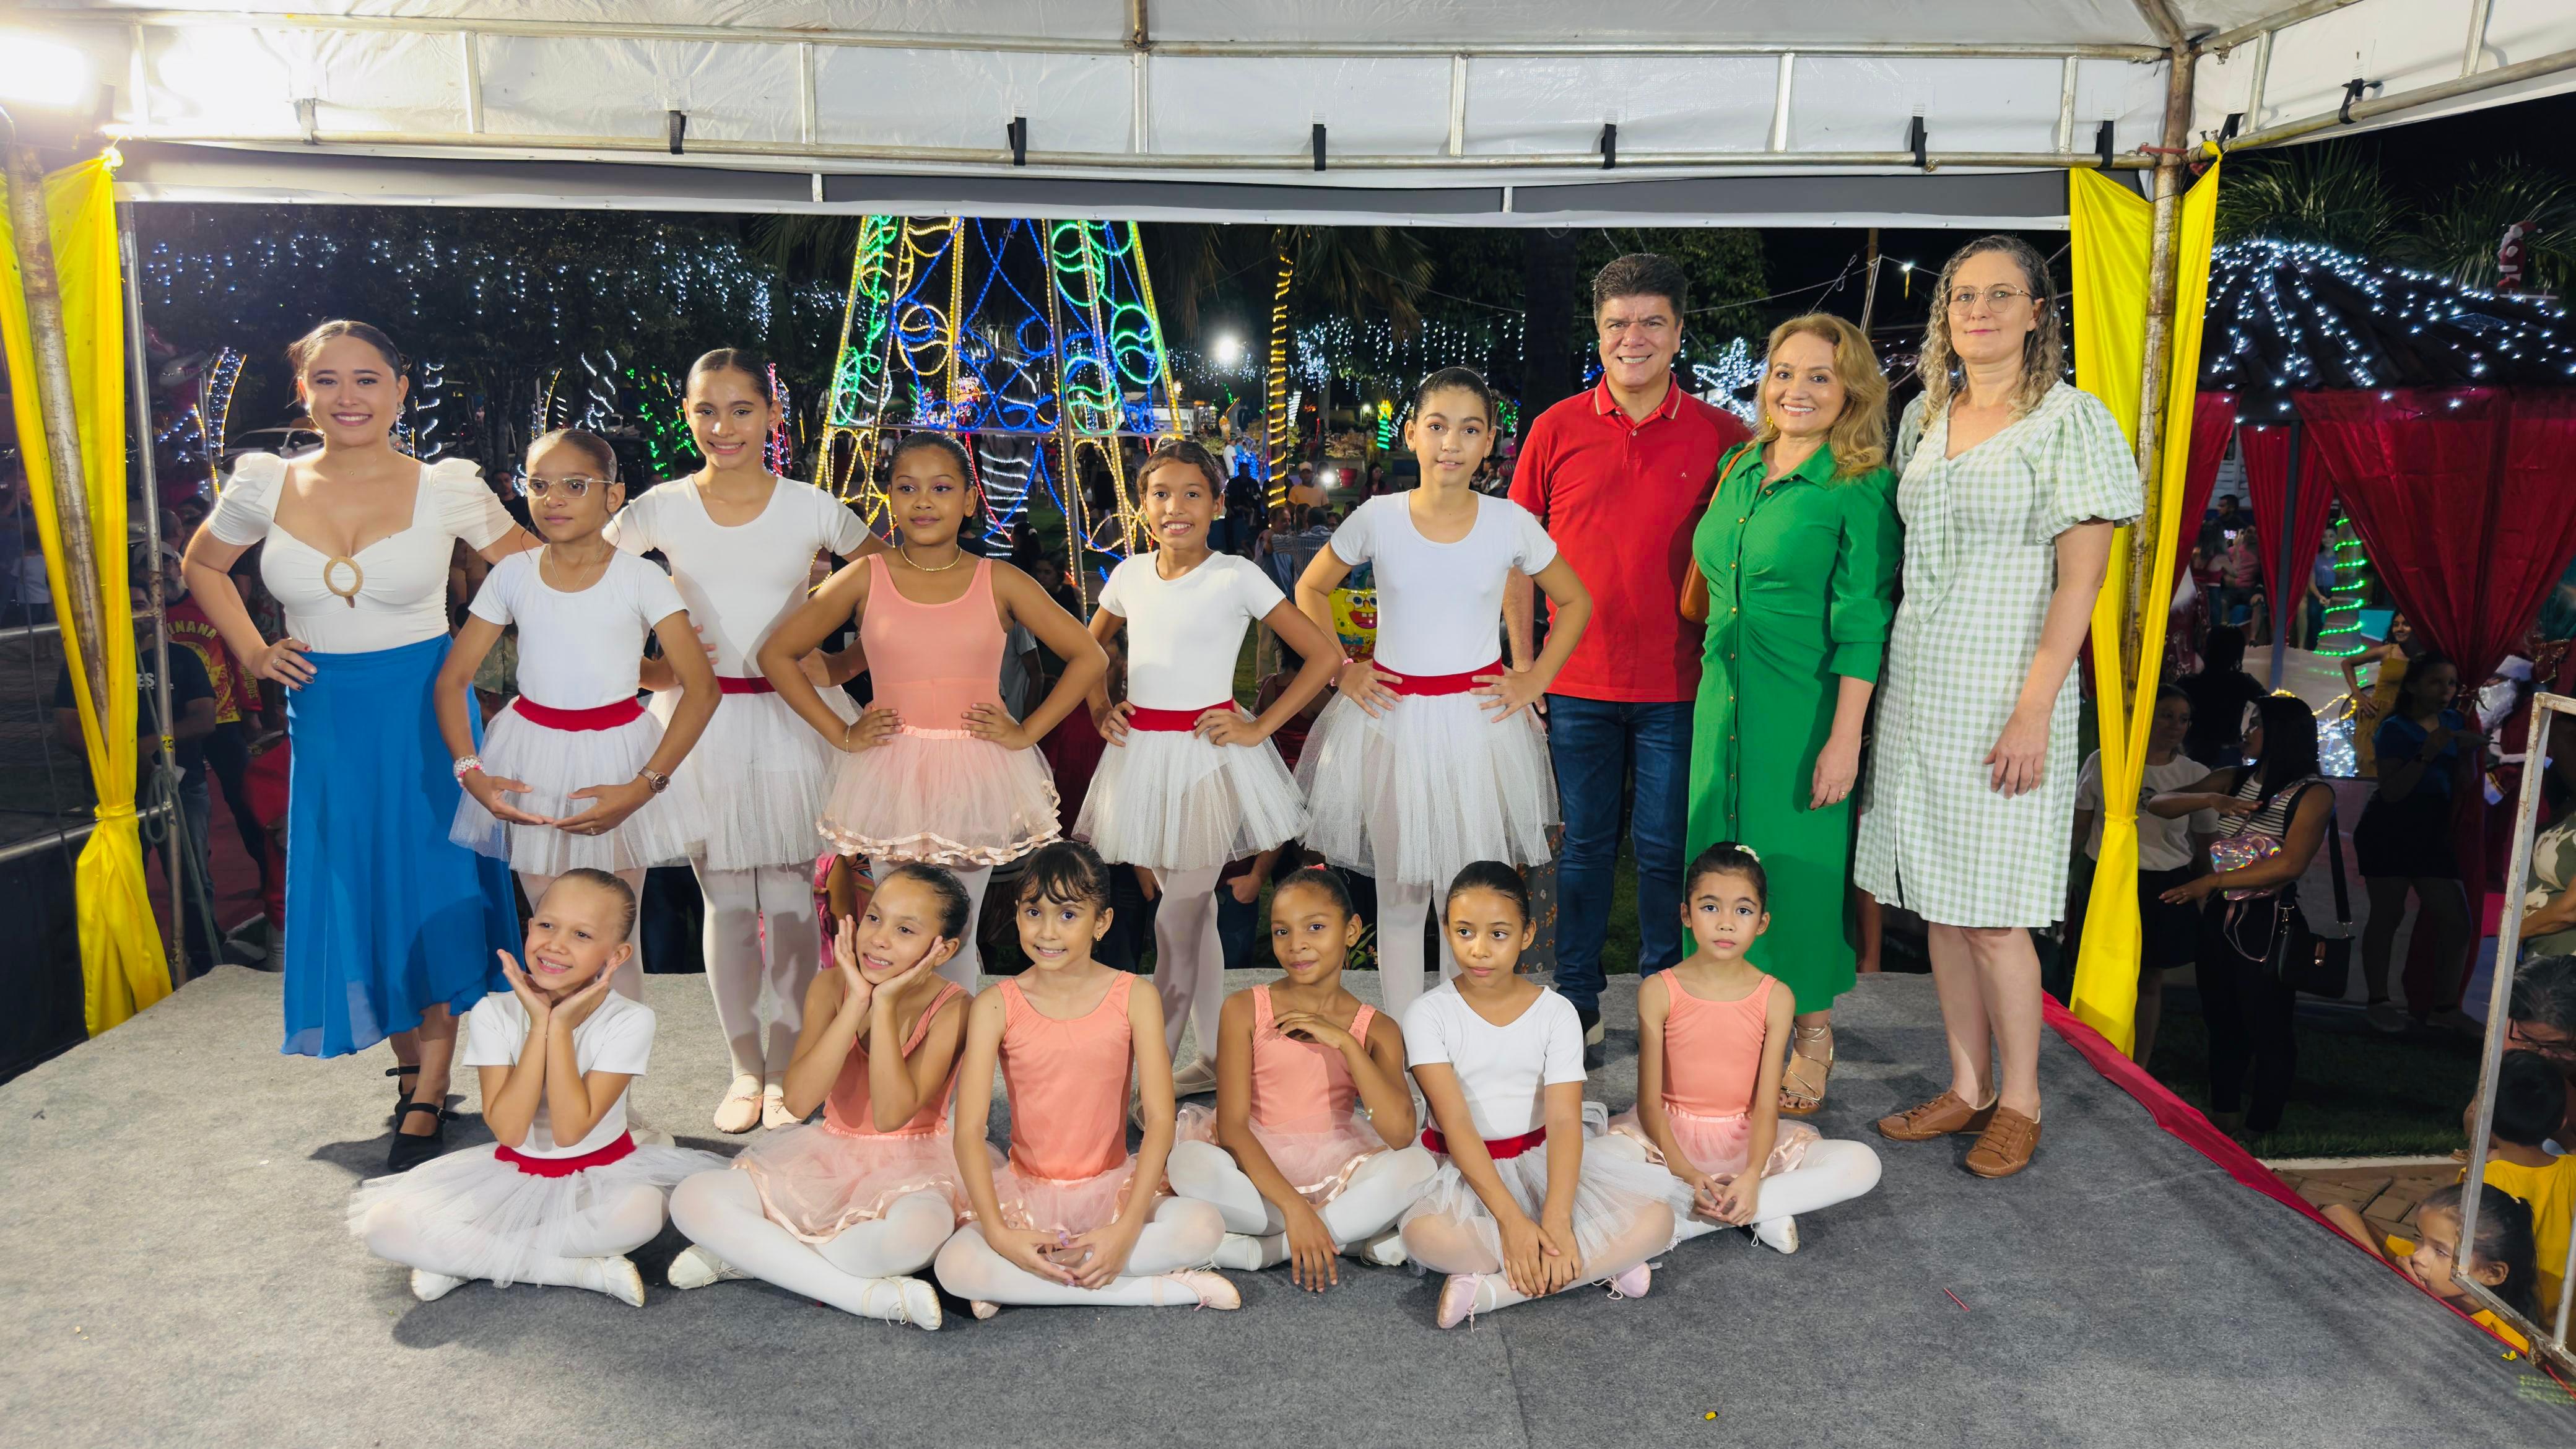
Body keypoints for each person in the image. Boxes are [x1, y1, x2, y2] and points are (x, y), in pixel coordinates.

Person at [180, 320, 531, 1168]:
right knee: (362, 885)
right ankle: (414, 1067)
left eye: (368, 379)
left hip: (426, 711)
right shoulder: (262, 484)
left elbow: (534, 569)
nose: (349, 398)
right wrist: (256, 652)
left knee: (435, 883)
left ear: (400, 389)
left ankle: (430, 1079)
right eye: (329, 380)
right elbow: (203, 565)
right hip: (327, 718)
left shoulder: (449, 487)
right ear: (303, 392)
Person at [1858, 235, 2140, 1180]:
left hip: (2009, 690)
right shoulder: (1924, 420)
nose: (1977, 311)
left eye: (1999, 295)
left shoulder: (2071, 420)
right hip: (1922, 684)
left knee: (1993, 914)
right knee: (1939, 905)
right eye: (1962, 296)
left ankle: (2021, 1100)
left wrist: (2034, 708)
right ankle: (1966, 1085)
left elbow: (2081, 583)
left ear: (2035, 313)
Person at [606, 349, 873, 1135]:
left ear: (771, 414)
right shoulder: (656, 508)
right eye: (706, 410)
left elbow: (893, 590)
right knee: (725, 903)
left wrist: (848, 659)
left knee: (794, 902)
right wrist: (655, 671)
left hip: (798, 720)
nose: (723, 427)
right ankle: (742, 1068)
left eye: (741, 410)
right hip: (703, 725)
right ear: (687, 414)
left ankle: (791, 1070)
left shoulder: (815, 507)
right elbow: (581, 584)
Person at [1508, 254, 1754, 1057]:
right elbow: (1517, 557)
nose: (1633, 338)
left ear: (1679, 332)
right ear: (1599, 331)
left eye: (1651, 322)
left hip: (1679, 687)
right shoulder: (1556, 428)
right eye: (1618, 323)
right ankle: (1576, 999)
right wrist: (1527, 663)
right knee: (1579, 849)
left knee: (1661, 853)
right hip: (1576, 682)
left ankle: (1661, 994)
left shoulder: (1725, 437)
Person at [762, 432, 1107, 993]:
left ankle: (956, 1069)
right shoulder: (864, 577)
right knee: (902, 931)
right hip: (891, 771)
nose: (924, 501)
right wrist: (841, 732)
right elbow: (776, 654)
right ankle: (902, 1059)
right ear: (890, 500)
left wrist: (1027, 733)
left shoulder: (999, 579)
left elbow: (1088, 655)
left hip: (974, 774)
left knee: (958, 934)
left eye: (941, 488)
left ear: (970, 500)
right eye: (908, 488)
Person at [1295, 367, 1591, 1017]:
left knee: (1466, 899)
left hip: (1476, 728)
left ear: (1489, 442)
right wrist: (1343, 669)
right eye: (1436, 426)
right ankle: (1405, 1050)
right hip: (1392, 725)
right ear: (1411, 434)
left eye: (1468, 429)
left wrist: (1535, 677)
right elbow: (1309, 589)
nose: (1450, 443)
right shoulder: (1379, 517)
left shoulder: (1508, 522)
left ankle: (1463, 1046)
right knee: (1400, 900)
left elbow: (1574, 600)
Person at [1683, 312, 1899, 1113]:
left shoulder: (1859, 484)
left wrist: (1845, 739)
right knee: (1715, 869)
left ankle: (1811, 1032)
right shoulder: (1740, 465)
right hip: (1722, 704)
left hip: (1803, 713)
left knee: (1791, 875)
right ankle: (1730, 1028)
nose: (1796, 390)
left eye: (1819, 375)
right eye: (1784, 373)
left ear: (1852, 390)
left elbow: (1864, 620)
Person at [1079, 439, 1339, 1094]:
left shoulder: (1234, 575)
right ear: (1142, 507)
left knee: (1175, 919)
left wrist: (1259, 728)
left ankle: (1153, 1079)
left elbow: (1322, 658)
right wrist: (1098, 706)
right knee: (1189, 916)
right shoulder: (1129, 576)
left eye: (1192, 494)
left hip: (1208, 761)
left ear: (1217, 504)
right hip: (1141, 760)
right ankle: (1215, 1061)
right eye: (1160, 494)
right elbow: (1086, 651)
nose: (1176, 507)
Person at [346, 871, 725, 1305]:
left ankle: (462, 1258)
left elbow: (569, 1131)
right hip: (511, 1169)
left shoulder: (631, 1019)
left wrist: (558, 1028)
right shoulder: (494, 1011)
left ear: (617, 954)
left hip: (601, 1173)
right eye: (547, 925)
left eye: (582, 934)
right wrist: (537, 1027)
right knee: (384, 1226)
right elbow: (509, 1131)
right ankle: (576, 1272)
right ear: (529, 926)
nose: (556, 945)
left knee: (641, 1216)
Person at [438, 429, 718, 1003]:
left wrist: (646, 786)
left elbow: (702, 689)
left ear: (613, 497)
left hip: (620, 756)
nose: (554, 499)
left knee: (615, 941)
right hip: (530, 757)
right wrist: (471, 769)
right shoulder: (513, 574)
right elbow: (453, 679)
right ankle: (555, 1084)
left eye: (575, 485)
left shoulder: (641, 577)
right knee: (549, 939)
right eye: (538, 485)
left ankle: (615, 1091)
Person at [665, 864, 977, 1328]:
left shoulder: (955, 1007)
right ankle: (858, 1295)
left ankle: (753, 1256)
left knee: (917, 1237)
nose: (880, 938)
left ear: (944, 949)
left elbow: (891, 1114)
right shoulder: (831, 987)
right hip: (827, 1152)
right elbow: (796, 1101)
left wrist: (885, 1004)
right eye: (874, 917)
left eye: (905, 929)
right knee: (691, 1197)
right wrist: (855, 1002)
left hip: (916, 1164)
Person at [931, 842, 1237, 1313]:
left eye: (1069, 915)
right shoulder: (997, 1005)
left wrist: (1127, 1227)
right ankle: (1157, 1289)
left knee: (1204, 1226)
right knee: (953, 1266)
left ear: (1102, 923)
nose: (1047, 931)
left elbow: (1158, 1120)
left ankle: (1024, 1280)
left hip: (1113, 1186)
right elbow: (969, 1130)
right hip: (1027, 1188)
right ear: (1017, 913)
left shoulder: (1135, 995)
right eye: (1034, 911)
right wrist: (998, 1232)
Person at [1398, 862, 1679, 1327]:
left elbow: (1566, 1121)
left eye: (1499, 934)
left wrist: (1557, 1219)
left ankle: (1492, 1290)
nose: (1480, 950)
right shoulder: (1428, 1014)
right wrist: (1510, 1221)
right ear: (1446, 928)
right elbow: (1458, 1124)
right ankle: (1597, 1263)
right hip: (1465, 1167)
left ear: (1527, 934)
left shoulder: (1557, 1013)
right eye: (1465, 931)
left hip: (1543, 1159)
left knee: (1660, 1219)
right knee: (1425, 1236)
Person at [1602, 844, 1881, 1255]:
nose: (1727, 924)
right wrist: (1685, 1172)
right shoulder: (1659, 990)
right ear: (1686, 914)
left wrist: (1752, 1174)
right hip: (1666, 1139)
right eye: (1711, 908)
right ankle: (1756, 1209)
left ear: (1763, 922)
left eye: (1743, 911)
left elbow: (1767, 1105)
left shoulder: (1777, 998)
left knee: (1862, 1164)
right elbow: (1649, 1103)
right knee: (1590, 1161)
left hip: (1745, 1138)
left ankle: (1683, 1223)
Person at [1165, 867, 1436, 1287]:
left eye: (1315, 927)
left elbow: (1401, 1133)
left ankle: (1261, 1252)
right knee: (1188, 1164)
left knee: (1417, 1167)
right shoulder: (1243, 1009)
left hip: (1340, 1167)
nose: (1297, 946)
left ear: (1351, 931)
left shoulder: (1377, 1029)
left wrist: (1346, 1043)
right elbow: (1233, 1128)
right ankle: (1344, 1236)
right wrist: (1294, 1208)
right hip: (1255, 1170)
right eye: (1281, 932)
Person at [2150, 694, 2332, 1144]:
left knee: (2266, 1021)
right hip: (2219, 914)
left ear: (2279, 733)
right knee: (2220, 1015)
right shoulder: (2235, 778)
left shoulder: (2313, 793)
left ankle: (2262, 1123)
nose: (2245, 734)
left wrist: (2210, 884)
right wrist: (2210, 798)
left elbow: (2290, 865)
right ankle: (2224, 1113)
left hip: (2266, 917)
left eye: (2254, 725)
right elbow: (2158, 803)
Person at [56, 560, 219, 975]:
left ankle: (205, 961)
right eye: (126, 606)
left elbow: (203, 720)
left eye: (142, 603)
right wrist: (129, 761)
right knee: (123, 881)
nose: (136, 612)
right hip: (116, 791)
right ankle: (133, 965)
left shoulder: (181, 658)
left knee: (192, 877)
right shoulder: (87, 666)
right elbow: (70, 729)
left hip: (182, 785)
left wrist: (147, 747)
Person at [2069, 685, 2214, 1067]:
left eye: (2183, 719)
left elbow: (2205, 842)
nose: (2175, 726)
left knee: (2149, 978)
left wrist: (2204, 890)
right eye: (2166, 715)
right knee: (2100, 971)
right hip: (2110, 878)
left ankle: (2139, 1064)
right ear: (2144, 718)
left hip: (2166, 884)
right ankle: (2090, 1055)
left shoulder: (2195, 774)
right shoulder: (2105, 762)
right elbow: (2079, 826)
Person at [2353, 651, 2477, 1034]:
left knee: (2457, 921)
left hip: (2431, 830)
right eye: (2437, 682)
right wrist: (2430, 751)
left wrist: (2470, 754)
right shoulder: (2395, 728)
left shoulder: (2455, 722)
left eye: (2452, 683)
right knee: (2388, 914)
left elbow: (2463, 785)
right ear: (2413, 686)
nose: (2446, 691)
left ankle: (2444, 1006)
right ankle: (2378, 1002)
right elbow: (2392, 792)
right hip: (2389, 828)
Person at [162, 543, 269, 899]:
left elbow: (241, 656)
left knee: (244, 798)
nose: (163, 575)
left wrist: (251, 710)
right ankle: (199, 889)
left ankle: (271, 877)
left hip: (223, 718)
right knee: (186, 807)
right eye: (153, 570)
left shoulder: (207, 602)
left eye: (168, 566)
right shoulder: (148, 614)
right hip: (176, 725)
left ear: (180, 567)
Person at [2325, 1181, 2542, 1354]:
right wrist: (2384, 1270)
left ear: (2491, 1274)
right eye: (2420, 1238)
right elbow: (2337, 1212)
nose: (2419, 1256)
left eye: (2440, 1251)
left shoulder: (2508, 1341)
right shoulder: (2411, 1262)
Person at [2461, 1051, 2575, 1313]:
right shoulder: (2572, 1170)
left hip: (2507, 1316)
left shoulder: (2482, 1179)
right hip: (2565, 1321)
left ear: (2484, 1116)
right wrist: (2566, 1136)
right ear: (2561, 1122)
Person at [2507, 955, 2576, 1146]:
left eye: (2559, 1046)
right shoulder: (2513, 1033)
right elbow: (2476, 1124)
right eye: (2529, 1041)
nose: (2544, 1056)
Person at [2179, 625, 2266, 769]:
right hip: (2227, 752)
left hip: (2192, 749)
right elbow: (2272, 705)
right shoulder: (2242, 682)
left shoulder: (2189, 682)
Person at [2342, 612, 2417, 778]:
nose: (2399, 629)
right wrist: (2358, 695)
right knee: (2371, 775)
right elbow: (2347, 663)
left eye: (2405, 624)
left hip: (2406, 720)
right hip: (2375, 718)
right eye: (2396, 624)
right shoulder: (2387, 651)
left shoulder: (2424, 656)